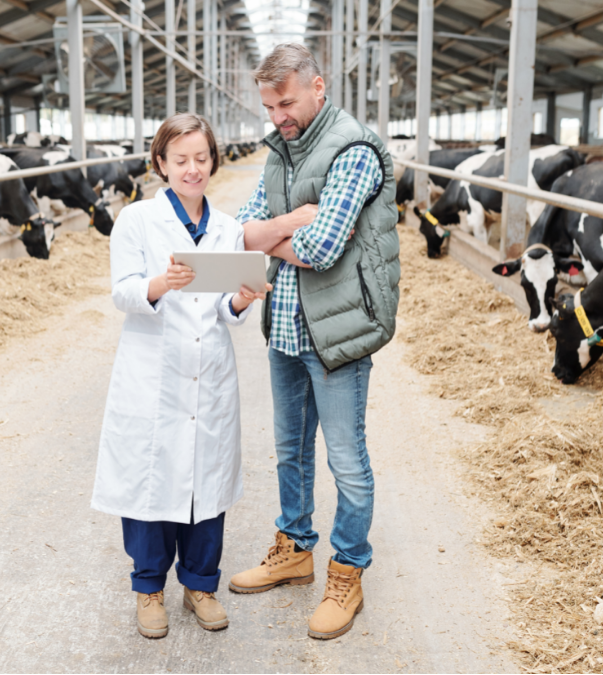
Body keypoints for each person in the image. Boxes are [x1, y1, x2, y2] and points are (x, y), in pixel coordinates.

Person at [229, 43, 401, 640]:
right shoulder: (278, 151)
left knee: (346, 461)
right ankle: (295, 548)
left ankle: (348, 568)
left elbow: (322, 250)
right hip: (282, 326)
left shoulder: (353, 150)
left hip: (337, 334)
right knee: (290, 450)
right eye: (270, 105)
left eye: (288, 100)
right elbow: (240, 233)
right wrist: (289, 221)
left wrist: (274, 234)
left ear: (318, 87)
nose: (279, 114)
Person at [91, 113, 269, 639]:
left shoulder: (228, 227)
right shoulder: (136, 221)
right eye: (181, 160)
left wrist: (240, 299)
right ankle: (149, 590)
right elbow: (123, 291)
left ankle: (200, 585)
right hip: (152, 372)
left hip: (208, 371)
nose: (193, 169)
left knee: (204, 484)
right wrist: (159, 283)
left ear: (213, 160)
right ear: (161, 163)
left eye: (201, 158)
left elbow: (222, 308)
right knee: (150, 483)